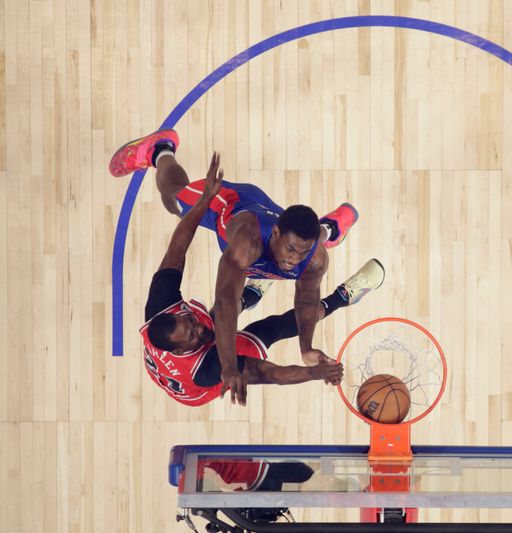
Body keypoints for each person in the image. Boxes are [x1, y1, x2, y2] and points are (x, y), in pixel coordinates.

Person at [111, 129, 362, 405]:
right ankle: (329, 230)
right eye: (194, 334)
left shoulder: (162, 304)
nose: (200, 328)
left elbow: (179, 249)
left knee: (174, 203)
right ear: (184, 348)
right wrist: (231, 368)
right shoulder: (205, 372)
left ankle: (159, 150)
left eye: (192, 323)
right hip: (199, 379)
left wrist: (205, 199)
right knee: (265, 328)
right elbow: (268, 372)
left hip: (231, 208)